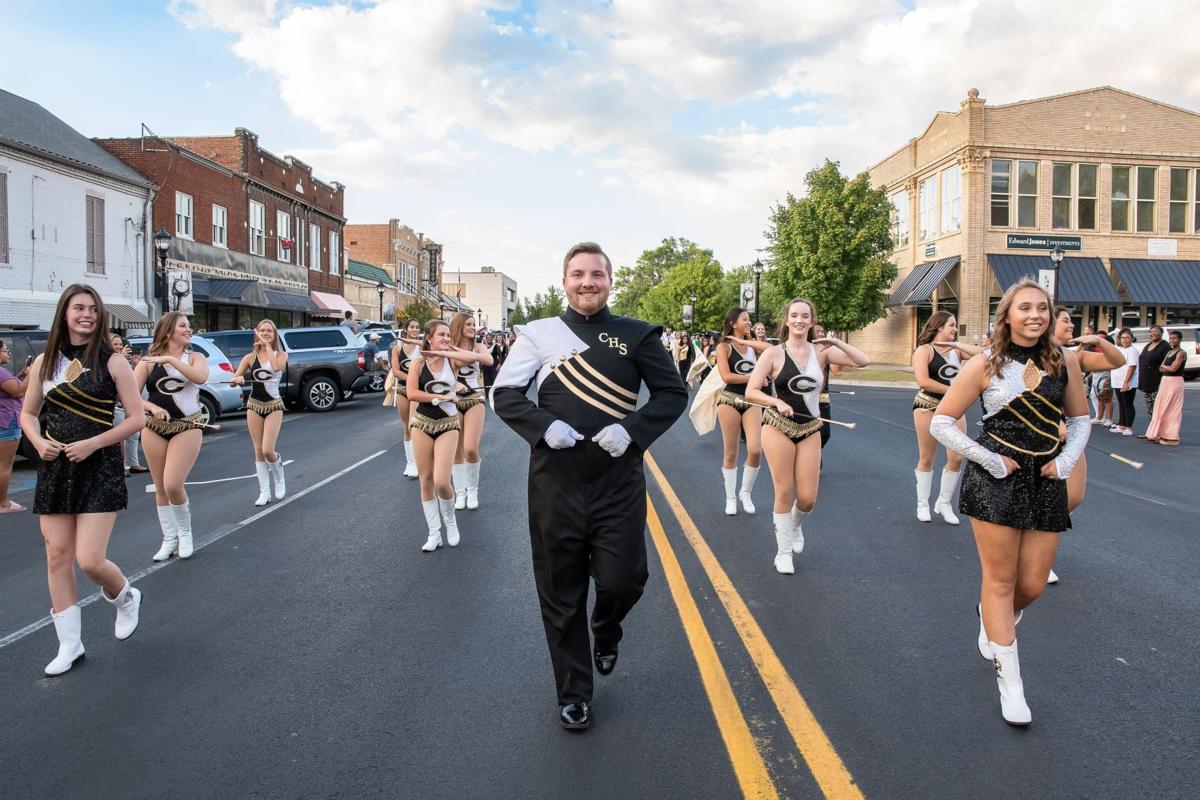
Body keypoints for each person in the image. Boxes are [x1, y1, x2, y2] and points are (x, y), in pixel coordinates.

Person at [491, 242, 687, 731]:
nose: (587, 282)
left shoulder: (639, 334)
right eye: (577, 274)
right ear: (564, 281)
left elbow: (672, 393)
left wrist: (633, 431)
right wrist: (542, 426)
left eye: (596, 274)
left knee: (624, 579)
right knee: (560, 592)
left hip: (617, 482)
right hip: (554, 484)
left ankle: (606, 626)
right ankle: (574, 693)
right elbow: (504, 394)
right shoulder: (538, 333)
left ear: (609, 281)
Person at [930, 279, 1090, 726]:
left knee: (1032, 585)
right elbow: (942, 422)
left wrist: (1065, 461)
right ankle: (1011, 685)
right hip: (995, 479)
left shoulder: (1064, 360)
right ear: (1007, 316)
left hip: (1045, 480)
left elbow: (1080, 420)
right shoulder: (985, 363)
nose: (1035, 315)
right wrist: (989, 460)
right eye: (1024, 308)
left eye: (1042, 307)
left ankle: (992, 615)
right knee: (1000, 580)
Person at [19, 284, 146, 675]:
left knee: (89, 559)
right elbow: (28, 414)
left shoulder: (113, 362)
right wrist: (38, 442)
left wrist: (93, 443)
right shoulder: (45, 362)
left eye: (92, 309)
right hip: (56, 467)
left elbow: (137, 418)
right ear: (65, 313)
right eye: (79, 308)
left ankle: (124, 596)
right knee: (57, 555)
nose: (86, 314)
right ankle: (69, 645)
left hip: (99, 466)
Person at [745, 298, 869, 574]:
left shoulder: (821, 353)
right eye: (794, 316)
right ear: (786, 320)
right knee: (784, 491)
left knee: (807, 498)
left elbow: (863, 361)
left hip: (811, 428)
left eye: (805, 316)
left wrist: (834, 342)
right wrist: (775, 401)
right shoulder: (773, 353)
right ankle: (783, 552)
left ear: (812, 321)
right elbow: (751, 391)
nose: (799, 320)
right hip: (777, 426)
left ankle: (795, 524)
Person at [1046, 308, 1124, 584]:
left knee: (1073, 497)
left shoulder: (1074, 356)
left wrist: (1099, 341)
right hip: (1039, 434)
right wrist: (1054, 421)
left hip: (1071, 434)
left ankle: (1036, 541)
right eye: (1065, 320)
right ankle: (1039, 558)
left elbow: (1117, 361)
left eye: (1071, 321)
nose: (1071, 324)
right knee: (1044, 498)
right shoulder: (1033, 357)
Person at [134, 312, 209, 561]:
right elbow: (131, 396)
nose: (189, 329)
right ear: (167, 331)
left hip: (187, 425)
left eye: (189, 325)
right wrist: (151, 407)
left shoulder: (195, 357)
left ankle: (185, 533)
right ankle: (169, 538)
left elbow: (200, 377)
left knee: (173, 484)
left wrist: (170, 359)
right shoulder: (147, 362)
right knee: (160, 487)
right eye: (183, 326)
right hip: (154, 427)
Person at [910, 311, 980, 525]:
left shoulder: (956, 351)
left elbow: (985, 354)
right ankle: (923, 504)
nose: (955, 329)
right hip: (927, 406)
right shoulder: (924, 350)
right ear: (939, 326)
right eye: (952, 325)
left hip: (953, 409)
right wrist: (954, 390)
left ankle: (944, 502)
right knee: (927, 457)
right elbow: (923, 381)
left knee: (957, 457)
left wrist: (956, 345)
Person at [408, 320, 461, 552]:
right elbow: (412, 393)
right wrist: (442, 397)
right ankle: (434, 533)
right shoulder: (418, 363)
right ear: (429, 338)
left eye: (448, 335)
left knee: (441, 481)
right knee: (426, 479)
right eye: (441, 335)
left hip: (448, 423)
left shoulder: (453, 360)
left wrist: (450, 350)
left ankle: (450, 521)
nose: (446, 338)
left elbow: (484, 359)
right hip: (422, 422)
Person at [713, 308, 768, 515]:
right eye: (745, 319)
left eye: (749, 319)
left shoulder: (753, 346)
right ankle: (730, 498)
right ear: (733, 323)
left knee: (755, 450)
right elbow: (727, 376)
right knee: (731, 452)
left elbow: (771, 349)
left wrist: (749, 342)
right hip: (729, 400)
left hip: (752, 400)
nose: (749, 322)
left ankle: (745, 492)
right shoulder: (723, 347)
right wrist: (754, 378)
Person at [230, 320, 289, 506]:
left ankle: (279, 477)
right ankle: (264, 491)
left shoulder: (281, 355)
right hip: (254, 405)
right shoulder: (249, 357)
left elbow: (276, 367)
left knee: (267, 450)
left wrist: (267, 347)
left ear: (274, 334)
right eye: (262, 330)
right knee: (257, 450)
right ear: (257, 333)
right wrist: (237, 379)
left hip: (274, 405)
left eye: (269, 331)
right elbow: (233, 380)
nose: (265, 333)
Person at [448, 312, 494, 510]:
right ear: (459, 326)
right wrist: (455, 384)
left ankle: (472, 490)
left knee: (470, 448)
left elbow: (489, 360)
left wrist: (467, 353)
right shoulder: (448, 346)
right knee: (456, 450)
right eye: (468, 324)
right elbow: (446, 369)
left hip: (475, 399)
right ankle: (461, 493)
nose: (473, 327)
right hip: (453, 400)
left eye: (474, 324)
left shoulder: (478, 346)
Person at [108, 334, 148, 476]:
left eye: (121, 344)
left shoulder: (126, 361)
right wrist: (121, 358)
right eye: (115, 344)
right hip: (116, 407)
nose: (119, 347)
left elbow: (134, 381)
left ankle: (133, 464)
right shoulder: (107, 361)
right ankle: (121, 467)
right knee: (120, 437)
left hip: (128, 406)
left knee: (134, 434)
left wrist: (136, 364)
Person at [390, 319, 423, 478]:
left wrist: (414, 381)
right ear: (405, 329)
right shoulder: (397, 349)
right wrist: (410, 379)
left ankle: (417, 462)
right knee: (405, 427)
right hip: (403, 389)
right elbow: (396, 371)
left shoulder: (421, 347)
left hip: (416, 390)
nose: (415, 329)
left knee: (412, 425)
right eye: (412, 327)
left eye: (417, 327)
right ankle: (410, 462)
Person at [0, 338, 31, 513]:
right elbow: (18, 391)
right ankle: (3, 503)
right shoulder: (1, 372)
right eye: (5, 350)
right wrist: (33, 373)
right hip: (6, 421)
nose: (8, 353)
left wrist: (22, 375)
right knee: (5, 464)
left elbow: (11, 386)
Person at [1144, 330, 1186, 445]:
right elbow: (1160, 368)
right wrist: (1166, 366)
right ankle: (1159, 433)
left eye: (1174, 338)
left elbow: (1173, 369)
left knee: (1172, 409)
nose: (1172, 340)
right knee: (1160, 408)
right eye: (1170, 338)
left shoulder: (1181, 353)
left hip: (1175, 382)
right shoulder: (1169, 352)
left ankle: (1172, 438)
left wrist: (1165, 366)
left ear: (1180, 340)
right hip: (1165, 381)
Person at [1136, 325, 1169, 434]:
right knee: (1150, 408)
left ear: (1161, 333)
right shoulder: (1148, 345)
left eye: (1155, 331)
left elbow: (1167, 364)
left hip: (1157, 382)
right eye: (1151, 331)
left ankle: (1161, 432)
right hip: (1147, 382)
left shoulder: (1165, 346)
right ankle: (1152, 431)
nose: (1153, 333)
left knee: (1158, 408)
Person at [1110, 328, 1138, 436]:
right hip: (1117, 381)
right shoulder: (1121, 349)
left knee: (1128, 404)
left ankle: (1128, 427)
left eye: (1127, 337)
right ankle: (1122, 425)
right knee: (1121, 404)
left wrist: (1126, 382)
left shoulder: (1132, 350)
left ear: (1132, 339)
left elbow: (1132, 367)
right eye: (1123, 338)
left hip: (1127, 382)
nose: (1125, 340)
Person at [1092, 331, 1115, 425]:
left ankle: (1109, 419)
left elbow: (1114, 367)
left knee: (1107, 398)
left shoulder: (1110, 352)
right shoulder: (1096, 350)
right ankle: (1099, 417)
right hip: (1096, 376)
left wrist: (1109, 379)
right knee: (1099, 398)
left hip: (1105, 376)